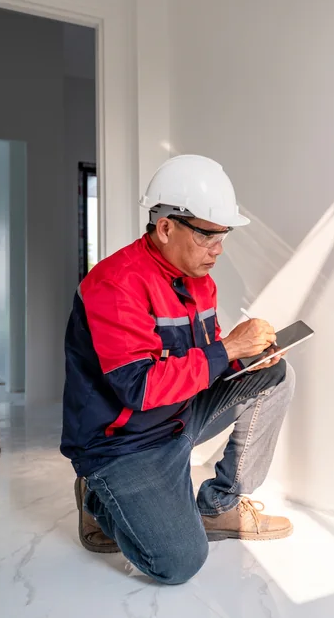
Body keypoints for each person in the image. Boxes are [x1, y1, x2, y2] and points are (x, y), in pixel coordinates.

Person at [60, 154, 296, 584]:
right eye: (208, 236)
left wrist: (248, 358)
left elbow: (205, 362)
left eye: (223, 235)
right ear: (166, 227)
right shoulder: (115, 285)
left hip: (177, 417)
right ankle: (98, 497)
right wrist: (228, 348)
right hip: (123, 445)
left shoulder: (199, 280)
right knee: (179, 563)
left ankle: (219, 505)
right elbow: (139, 387)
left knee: (275, 375)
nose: (219, 249)